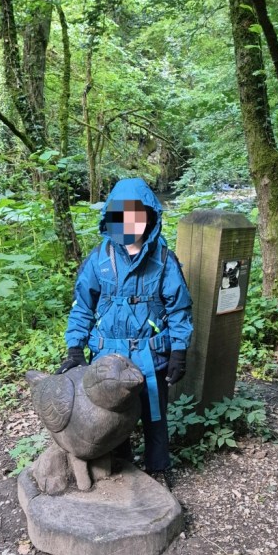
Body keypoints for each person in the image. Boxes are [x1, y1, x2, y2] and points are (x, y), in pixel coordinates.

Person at [57, 177, 193, 485]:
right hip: (108, 360)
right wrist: (75, 348)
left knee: (154, 417)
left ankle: (158, 470)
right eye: (122, 215)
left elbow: (179, 309)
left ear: (150, 217)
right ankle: (121, 467)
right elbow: (82, 306)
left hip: (151, 358)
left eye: (137, 215)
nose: (130, 223)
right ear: (111, 218)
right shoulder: (99, 260)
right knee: (111, 417)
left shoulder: (164, 261)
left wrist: (179, 351)